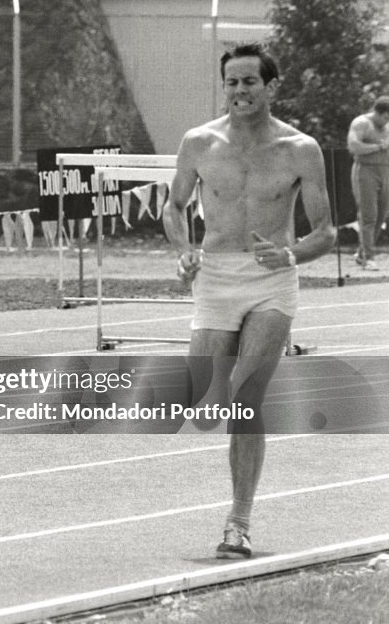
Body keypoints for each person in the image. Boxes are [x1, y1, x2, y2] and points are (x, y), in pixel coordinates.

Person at [162, 43, 335, 560]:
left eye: (250, 82)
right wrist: (184, 249)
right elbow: (174, 208)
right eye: (232, 82)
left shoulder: (300, 149)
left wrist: (290, 254)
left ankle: (238, 523)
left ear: (270, 86)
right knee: (204, 395)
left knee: (245, 398)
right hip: (215, 276)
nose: (240, 91)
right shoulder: (199, 142)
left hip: (271, 281)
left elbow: (325, 233)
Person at [346, 96, 389, 271]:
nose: (387, 121)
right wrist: (378, 147)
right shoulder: (361, 123)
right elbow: (354, 147)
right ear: (378, 112)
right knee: (368, 215)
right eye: (386, 117)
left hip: (385, 171)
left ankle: (362, 253)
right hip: (366, 170)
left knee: (381, 216)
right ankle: (369, 257)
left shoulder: (387, 127)